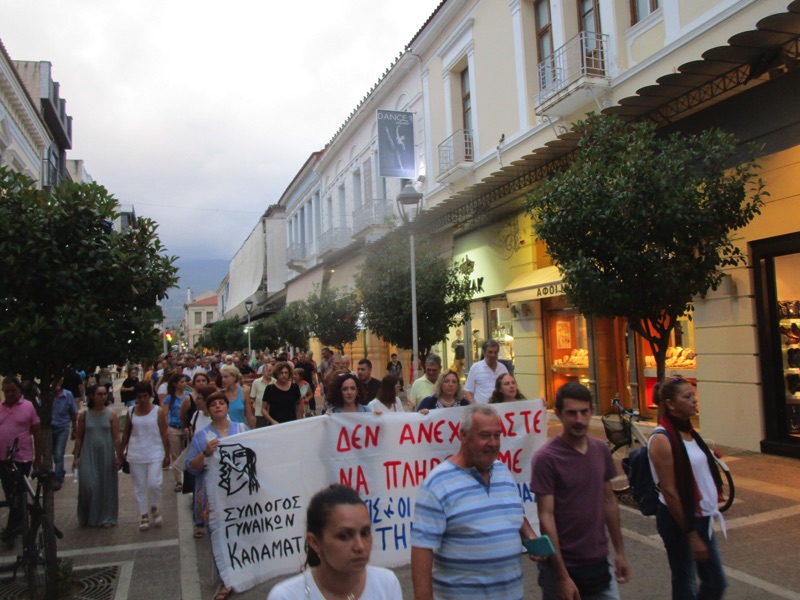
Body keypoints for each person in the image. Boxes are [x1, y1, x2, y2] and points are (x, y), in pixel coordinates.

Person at [411, 403, 536, 599]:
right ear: (463, 435)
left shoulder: (503, 471)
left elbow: (514, 512)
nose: (493, 443)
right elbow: (421, 550)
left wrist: (531, 537)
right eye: (484, 435)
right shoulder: (437, 483)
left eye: (497, 435)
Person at [530, 382, 630, 600]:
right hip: (562, 566)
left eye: (584, 412)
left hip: (599, 561)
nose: (579, 420)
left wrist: (620, 552)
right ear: (558, 414)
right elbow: (546, 516)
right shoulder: (546, 458)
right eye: (572, 413)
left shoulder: (600, 450)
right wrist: (562, 576)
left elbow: (609, 501)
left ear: (592, 411)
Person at [649, 377, 727, 600]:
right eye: (687, 396)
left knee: (715, 582)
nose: (694, 400)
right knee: (686, 581)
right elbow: (670, 492)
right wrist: (691, 533)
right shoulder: (662, 439)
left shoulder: (690, 432)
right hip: (680, 521)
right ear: (671, 404)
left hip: (702, 516)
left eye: (693, 395)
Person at [267, 484, 403, 600]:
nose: (360, 546)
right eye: (344, 536)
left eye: (365, 533)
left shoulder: (386, 583)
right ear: (315, 542)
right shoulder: (286, 596)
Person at [186, 391, 249, 600]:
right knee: (220, 535)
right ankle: (225, 580)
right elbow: (191, 467)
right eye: (214, 404)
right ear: (209, 410)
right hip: (215, 496)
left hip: (239, 494)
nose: (218, 406)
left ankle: (243, 569)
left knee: (241, 532)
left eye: (222, 403)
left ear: (227, 407)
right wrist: (205, 454)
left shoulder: (241, 429)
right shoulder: (201, 436)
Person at [122, 382, 170, 532]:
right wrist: (120, 453)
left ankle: (155, 506)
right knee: (139, 486)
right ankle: (143, 514)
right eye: (139, 397)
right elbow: (126, 433)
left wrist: (167, 453)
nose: (142, 400)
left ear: (150, 395)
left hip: (155, 451)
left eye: (145, 396)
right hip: (136, 452)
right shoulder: (131, 411)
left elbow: (164, 433)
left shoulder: (158, 411)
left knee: (154, 483)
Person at [0, 377, 42, 545]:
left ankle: (12, 529)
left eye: (13, 390)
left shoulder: (28, 406)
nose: (10, 394)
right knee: (10, 493)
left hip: (22, 458)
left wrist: (38, 458)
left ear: (19, 390)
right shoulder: (0, 408)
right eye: (6, 391)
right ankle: (17, 525)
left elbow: (37, 433)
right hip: (3, 458)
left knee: (18, 494)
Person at [73, 385, 121, 528]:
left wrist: (119, 456)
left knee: (106, 486)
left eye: (105, 394)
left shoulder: (112, 415)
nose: (103, 396)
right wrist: (76, 457)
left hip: (106, 454)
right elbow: (79, 437)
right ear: (92, 396)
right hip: (88, 454)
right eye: (99, 394)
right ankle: (87, 515)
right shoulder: (84, 415)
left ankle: (107, 517)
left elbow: (116, 438)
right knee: (87, 485)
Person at [164, 373, 191, 493]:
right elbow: (164, 414)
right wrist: (165, 428)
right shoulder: (169, 398)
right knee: (176, 455)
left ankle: (188, 478)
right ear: (175, 384)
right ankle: (179, 481)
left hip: (186, 428)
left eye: (185, 381)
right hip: (174, 428)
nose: (184, 384)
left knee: (188, 453)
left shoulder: (189, 396)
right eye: (182, 382)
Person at [51, 380, 78, 491]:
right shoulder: (48, 395)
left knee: (59, 453)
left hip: (63, 427)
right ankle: (60, 471)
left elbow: (73, 412)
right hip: (50, 427)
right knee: (54, 454)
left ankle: (58, 478)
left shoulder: (68, 395)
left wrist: (74, 429)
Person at [464, 340, 508, 404]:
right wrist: (475, 405)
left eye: (495, 352)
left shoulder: (502, 368)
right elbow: (467, 390)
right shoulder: (476, 368)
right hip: (481, 408)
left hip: (500, 407)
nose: (493, 355)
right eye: (490, 352)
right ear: (484, 353)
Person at [220, 364, 254, 429]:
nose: (223, 380)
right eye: (222, 377)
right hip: (225, 430)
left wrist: (254, 431)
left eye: (226, 377)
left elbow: (249, 415)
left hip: (240, 429)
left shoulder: (244, 391)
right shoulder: (221, 394)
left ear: (234, 377)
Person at [249, 362, 274, 427]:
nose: (271, 373)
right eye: (269, 371)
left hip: (273, 414)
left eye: (272, 371)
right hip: (259, 414)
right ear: (263, 371)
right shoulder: (256, 382)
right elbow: (252, 398)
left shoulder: (275, 382)